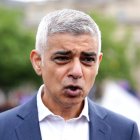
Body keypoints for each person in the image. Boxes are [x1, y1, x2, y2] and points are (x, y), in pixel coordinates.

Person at [0, 9, 139, 140]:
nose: (76, 71)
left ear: (98, 63)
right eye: (62, 58)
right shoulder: (3, 128)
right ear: (37, 61)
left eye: (88, 59)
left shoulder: (125, 132)